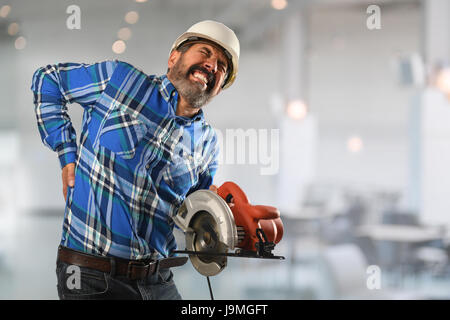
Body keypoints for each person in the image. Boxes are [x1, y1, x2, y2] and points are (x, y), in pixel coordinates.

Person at [30, 20, 240, 300]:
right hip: (90, 276)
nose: (213, 65)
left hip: (158, 280)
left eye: (222, 67)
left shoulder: (208, 143)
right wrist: (67, 155)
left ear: (219, 89)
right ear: (174, 56)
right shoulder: (120, 81)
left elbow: (189, 213)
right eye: (205, 52)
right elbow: (48, 79)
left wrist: (222, 216)